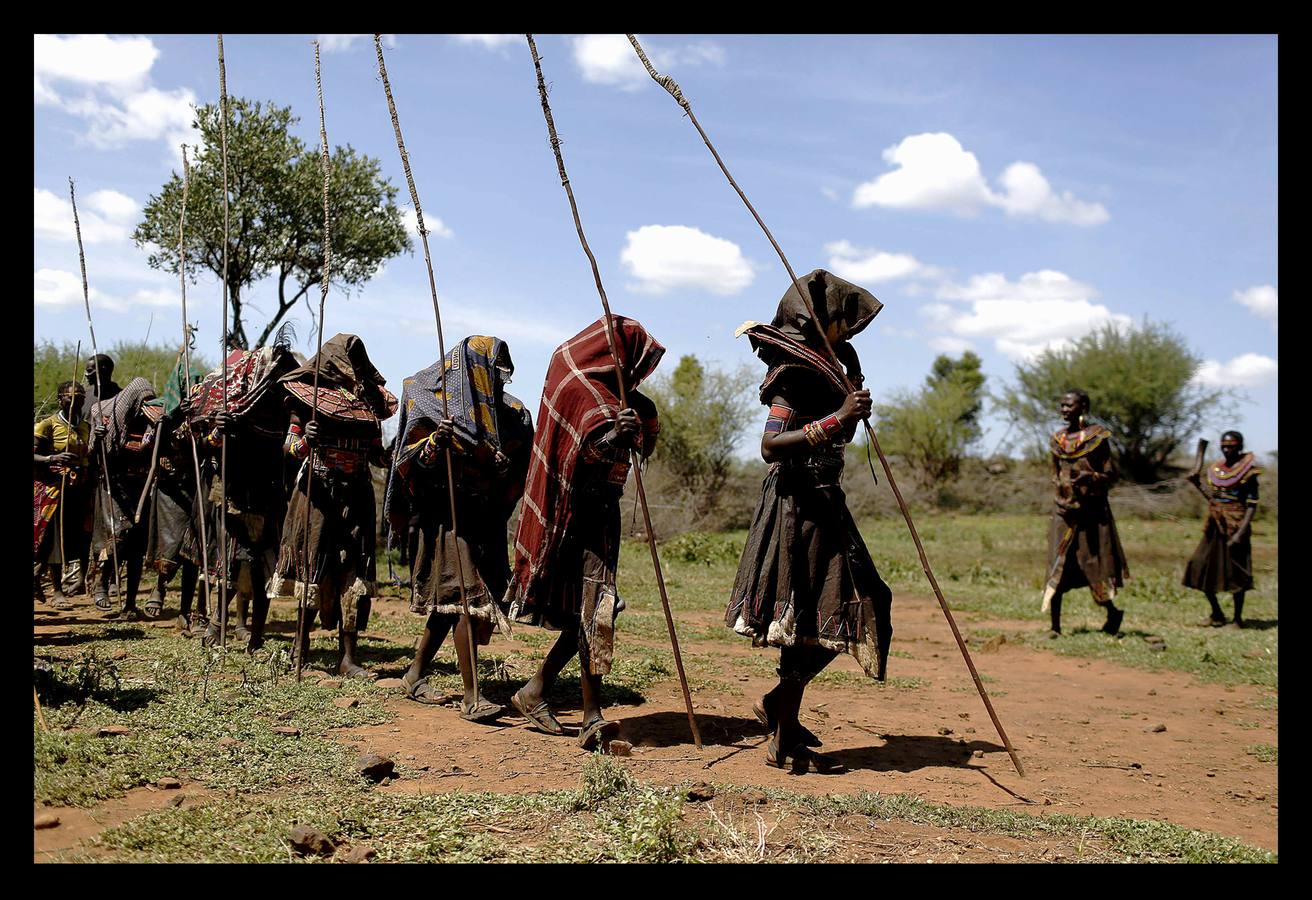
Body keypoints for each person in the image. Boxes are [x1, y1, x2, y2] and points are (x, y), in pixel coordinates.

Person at [727, 269, 894, 775]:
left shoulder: (832, 368)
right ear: (819, 319)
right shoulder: (795, 374)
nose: (850, 330)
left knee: (870, 600)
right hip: (797, 507)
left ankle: (780, 706)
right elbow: (770, 446)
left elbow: (839, 428)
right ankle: (782, 737)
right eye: (843, 320)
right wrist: (839, 417)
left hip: (827, 502)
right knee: (806, 618)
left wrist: (850, 399)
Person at [507, 316, 663, 750]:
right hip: (572, 514)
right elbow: (575, 456)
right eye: (636, 359)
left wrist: (641, 423)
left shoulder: (632, 403)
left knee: (592, 610)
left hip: (605, 515)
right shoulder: (580, 391)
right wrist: (613, 434)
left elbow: (646, 450)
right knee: (596, 609)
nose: (639, 369)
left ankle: (536, 690)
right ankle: (590, 715)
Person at [385, 336, 533, 721]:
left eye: (501, 372)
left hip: (485, 517)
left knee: (451, 603)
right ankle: (472, 698)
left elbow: (518, 468)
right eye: (490, 370)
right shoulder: (429, 401)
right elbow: (409, 462)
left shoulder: (512, 414)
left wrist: (500, 466)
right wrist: (437, 442)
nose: (497, 378)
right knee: (468, 598)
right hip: (447, 517)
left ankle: (414, 675)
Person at [269, 334, 395, 677]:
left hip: (358, 495)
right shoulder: (305, 398)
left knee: (353, 571)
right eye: (346, 358)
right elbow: (289, 446)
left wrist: (395, 453)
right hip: (317, 494)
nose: (352, 366)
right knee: (313, 567)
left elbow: (376, 455)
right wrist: (305, 442)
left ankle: (348, 657)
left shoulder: (369, 403)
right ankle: (299, 648)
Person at [189, 341, 298, 649]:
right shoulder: (236, 406)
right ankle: (216, 624)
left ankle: (257, 637)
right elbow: (203, 447)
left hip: (271, 497)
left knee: (265, 568)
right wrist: (218, 431)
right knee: (233, 563)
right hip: (235, 496)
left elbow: (292, 452)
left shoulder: (290, 410)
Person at [1042, 390, 1129, 637]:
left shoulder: (1097, 437)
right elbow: (1055, 474)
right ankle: (1055, 626)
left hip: (1091, 513)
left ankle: (1112, 613)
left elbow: (1111, 474)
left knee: (1093, 564)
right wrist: (1064, 489)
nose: (1064, 409)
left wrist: (1089, 477)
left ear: (1083, 408)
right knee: (1057, 562)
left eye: (1070, 405)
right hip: (1063, 512)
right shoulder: (1057, 440)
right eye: (1062, 405)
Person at [88, 377, 160, 619]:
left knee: (137, 546)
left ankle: (130, 603)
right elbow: (92, 456)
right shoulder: (104, 414)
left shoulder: (152, 419)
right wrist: (98, 438)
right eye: (142, 401)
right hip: (113, 487)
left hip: (141, 489)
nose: (146, 405)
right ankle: (101, 584)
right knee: (118, 536)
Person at [1184, 431, 1261, 628]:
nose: (1227, 450)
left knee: (1237, 572)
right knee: (1200, 565)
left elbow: (1251, 505)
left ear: (1240, 447)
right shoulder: (1217, 469)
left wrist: (1240, 533)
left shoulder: (1249, 472)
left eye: (1231, 446)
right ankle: (1217, 613)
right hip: (1215, 525)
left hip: (1236, 525)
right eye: (1224, 446)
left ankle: (1237, 618)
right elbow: (1214, 499)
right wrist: (1198, 484)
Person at [34, 381, 91, 609]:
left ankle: (38, 575)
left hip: (79, 489)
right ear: (60, 399)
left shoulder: (85, 426)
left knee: (74, 538)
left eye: (81, 397)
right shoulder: (48, 425)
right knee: (54, 539)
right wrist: (52, 458)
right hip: (54, 490)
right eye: (71, 397)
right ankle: (57, 591)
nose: (77, 401)